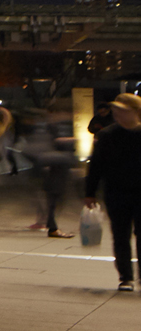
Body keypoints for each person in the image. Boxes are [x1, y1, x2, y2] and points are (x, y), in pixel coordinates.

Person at [83, 92, 141, 292]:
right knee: (120, 235)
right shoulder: (107, 135)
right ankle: (126, 277)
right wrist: (90, 192)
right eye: (115, 110)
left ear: (135, 112)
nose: (117, 114)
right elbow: (96, 166)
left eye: (122, 110)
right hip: (117, 192)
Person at [23, 107, 74, 236]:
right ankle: (52, 227)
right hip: (53, 165)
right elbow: (55, 144)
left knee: (54, 197)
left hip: (54, 165)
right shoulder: (51, 127)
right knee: (53, 197)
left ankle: (51, 225)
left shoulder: (50, 127)